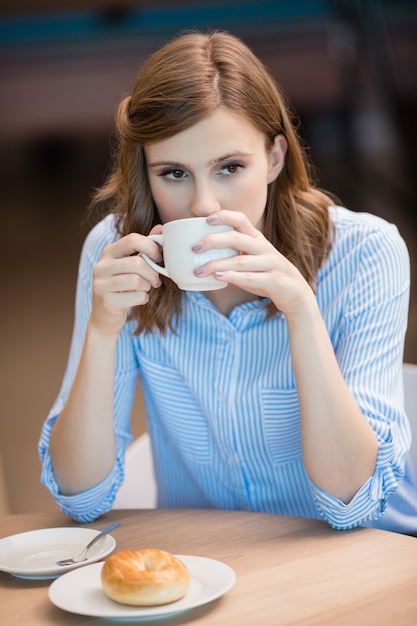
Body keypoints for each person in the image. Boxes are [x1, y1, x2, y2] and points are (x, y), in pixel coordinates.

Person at [39, 30, 417, 534]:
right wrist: (104, 329)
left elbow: (353, 503)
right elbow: (81, 498)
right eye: (173, 173)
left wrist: (302, 312)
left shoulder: (366, 252)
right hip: (211, 568)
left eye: (230, 167)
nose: (203, 206)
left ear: (275, 158)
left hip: (363, 557)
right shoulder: (117, 254)